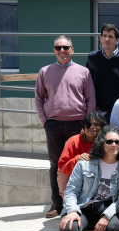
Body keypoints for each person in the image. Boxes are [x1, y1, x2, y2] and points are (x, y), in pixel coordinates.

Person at [35, 35, 96, 218]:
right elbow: (39, 99)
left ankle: (79, 199)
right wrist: (45, 121)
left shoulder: (83, 71)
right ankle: (56, 202)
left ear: (72, 50)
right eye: (58, 47)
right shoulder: (45, 71)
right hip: (53, 124)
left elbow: (90, 100)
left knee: (80, 161)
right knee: (56, 163)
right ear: (54, 50)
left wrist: (86, 125)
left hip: (77, 124)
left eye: (66, 47)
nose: (62, 50)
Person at [57, 111, 108, 197]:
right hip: (72, 173)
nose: (92, 127)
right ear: (83, 127)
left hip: (96, 176)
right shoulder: (73, 141)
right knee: (64, 186)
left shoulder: (106, 142)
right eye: (89, 124)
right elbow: (62, 167)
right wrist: (77, 158)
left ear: (102, 128)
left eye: (96, 124)